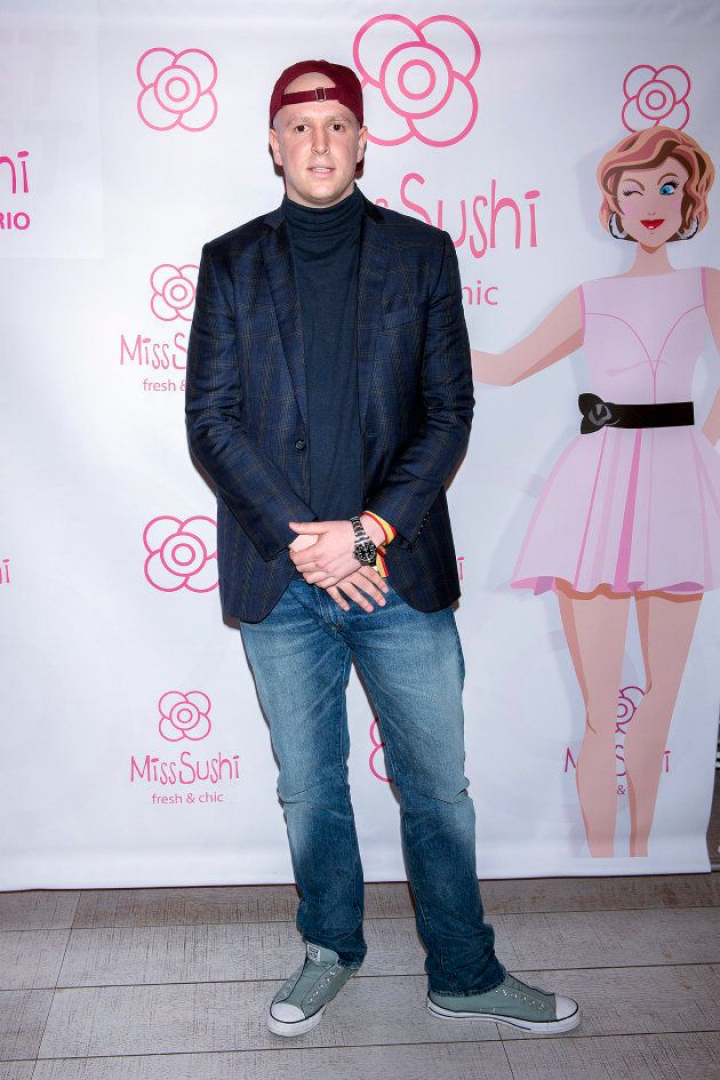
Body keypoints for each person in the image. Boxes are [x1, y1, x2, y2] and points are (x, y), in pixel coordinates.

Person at [186, 58, 580, 1037]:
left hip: (398, 573)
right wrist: (308, 544)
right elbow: (212, 421)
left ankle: (464, 971)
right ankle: (331, 948)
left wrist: (366, 532)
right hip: (281, 581)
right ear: (273, 144)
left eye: (336, 125)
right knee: (310, 788)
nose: (318, 141)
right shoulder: (230, 262)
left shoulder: (422, 253)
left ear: (362, 142)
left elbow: (449, 412)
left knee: (437, 787)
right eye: (299, 125)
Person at [472, 126, 719, 858]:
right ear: (612, 203)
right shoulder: (591, 298)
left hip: (676, 494)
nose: (651, 203)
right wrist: (424, 335)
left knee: (661, 703)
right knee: (600, 710)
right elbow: (508, 367)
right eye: (633, 190)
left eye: (667, 186)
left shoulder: (707, 286)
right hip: (598, 492)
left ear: (690, 198)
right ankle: (605, 864)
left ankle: (645, 856)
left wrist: (698, 451)